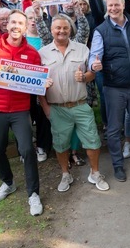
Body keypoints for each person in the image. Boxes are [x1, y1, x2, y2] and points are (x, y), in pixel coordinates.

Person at [0, 9, 46, 216]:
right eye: (13, 22)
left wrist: (44, 84)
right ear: (7, 25)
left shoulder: (32, 53)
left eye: (20, 23)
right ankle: (8, 182)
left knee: (27, 150)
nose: (16, 26)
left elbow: (36, 82)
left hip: (20, 109)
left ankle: (33, 194)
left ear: (25, 28)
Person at [39, 15, 110, 192]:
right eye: (58, 28)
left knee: (93, 141)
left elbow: (91, 74)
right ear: (51, 30)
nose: (61, 31)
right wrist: (46, 107)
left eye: (65, 28)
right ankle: (65, 174)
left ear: (70, 30)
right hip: (57, 108)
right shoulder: (42, 53)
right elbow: (38, 84)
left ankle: (95, 173)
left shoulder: (82, 50)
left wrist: (84, 77)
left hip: (80, 105)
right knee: (61, 144)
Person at [90, 0, 130, 182]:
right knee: (114, 129)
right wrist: (94, 65)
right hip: (114, 87)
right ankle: (117, 165)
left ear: (124, 5)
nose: (113, 8)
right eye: (110, 5)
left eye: (117, 5)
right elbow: (94, 56)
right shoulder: (101, 30)